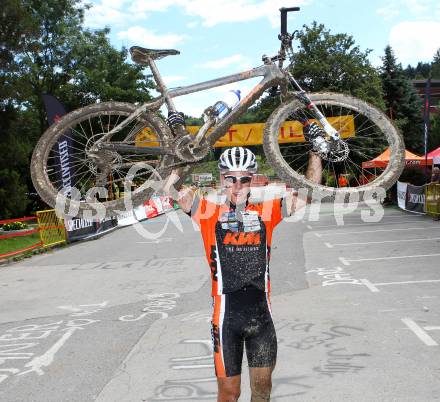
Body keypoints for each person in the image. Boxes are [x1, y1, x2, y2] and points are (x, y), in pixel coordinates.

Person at [164, 146, 322, 401]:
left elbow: (311, 192)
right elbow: (170, 189)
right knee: (229, 394)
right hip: (226, 320)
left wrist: (316, 152)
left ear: (253, 181)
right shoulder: (206, 213)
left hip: (261, 320)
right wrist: (181, 154)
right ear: (221, 180)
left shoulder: (267, 212)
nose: (237, 186)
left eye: (244, 179)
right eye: (230, 179)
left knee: (262, 392)